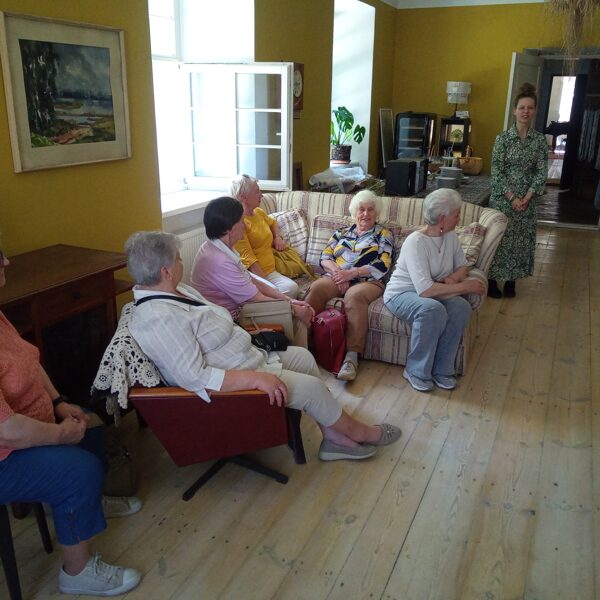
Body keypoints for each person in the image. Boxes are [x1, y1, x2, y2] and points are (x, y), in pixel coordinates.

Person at [125, 231, 402, 462]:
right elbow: (193, 377)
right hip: (235, 384)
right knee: (313, 389)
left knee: (304, 359)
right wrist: (256, 379)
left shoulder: (177, 291)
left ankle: (332, 436)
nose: (181, 262)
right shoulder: (159, 318)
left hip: (248, 357)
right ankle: (360, 432)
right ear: (165, 271)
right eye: (177, 259)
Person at [0, 246, 142, 596]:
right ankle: (76, 572)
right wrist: (59, 435)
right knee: (78, 471)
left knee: (90, 426)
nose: (6, 261)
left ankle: (86, 501)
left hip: (26, 427)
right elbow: (7, 430)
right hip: (6, 454)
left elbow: (30, 362)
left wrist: (59, 403)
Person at [383, 189, 485, 393]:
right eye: (456, 214)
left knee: (461, 307)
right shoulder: (416, 242)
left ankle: (442, 369)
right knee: (432, 309)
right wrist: (465, 286)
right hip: (402, 293)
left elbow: (463, 266)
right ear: (442, 218)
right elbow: (426, 290)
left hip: (434, 290)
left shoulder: (451, 236)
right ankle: (415, 371)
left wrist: (453, 278)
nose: (459, 218)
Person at [190, 196, 314, 347]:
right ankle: (295, 355)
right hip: (232, 322)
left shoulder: (219, 247)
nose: (245, 225)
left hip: (242, 310)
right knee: (298, 318)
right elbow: (256, 298)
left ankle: (295, 352)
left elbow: (251, 279)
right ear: (230, 230)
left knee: (297, 311)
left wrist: (290, 300)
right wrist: (293, 309)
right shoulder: (219, 261)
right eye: (242, 221)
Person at [303, 190, 394, 382]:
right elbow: (325, 257)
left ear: (376, 213)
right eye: (361, 209)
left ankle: (351, 359)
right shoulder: (341, 232)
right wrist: (339, 274)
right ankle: (303, 345)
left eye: (370, 210)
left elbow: (383, 264)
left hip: (368, 281)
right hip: (337, 276)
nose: (365, 214)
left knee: (354, 297)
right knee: (317, 288)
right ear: (354, 212)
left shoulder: (383, 234)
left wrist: (351, 274)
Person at [487, 82, 547, 298]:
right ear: (514, 111)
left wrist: (527, 197)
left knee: (520, 242)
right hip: (503, 199)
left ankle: (511, 282)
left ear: (535, 111)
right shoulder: (502, 139)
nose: (525, 111)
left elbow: (541, 172)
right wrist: (512, 197)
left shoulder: (539, 140)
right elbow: (497, 171)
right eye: (522, 107)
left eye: (530, 108)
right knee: (499, 239)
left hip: (527, 202)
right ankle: (491, 281)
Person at [231, 174, 299, 298]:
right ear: (243, 197)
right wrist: (267, 287)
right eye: (257, 191)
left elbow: (273, 223)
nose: (261, 195)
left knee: (291, 288)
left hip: (272, 269)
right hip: (257, 275)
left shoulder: (258, 212)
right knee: (289, 290)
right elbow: (250, 262)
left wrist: (277, 237)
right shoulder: (239, 224)